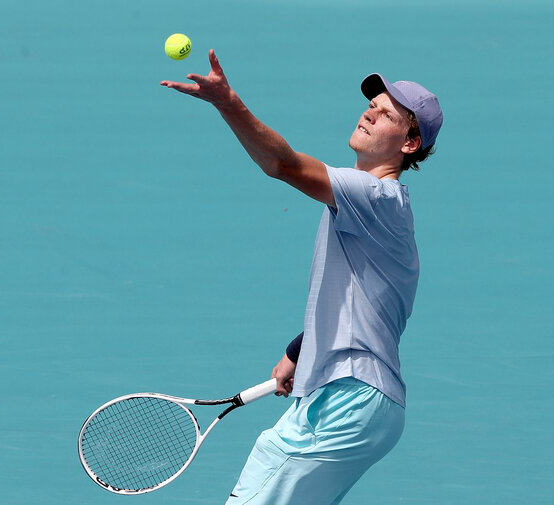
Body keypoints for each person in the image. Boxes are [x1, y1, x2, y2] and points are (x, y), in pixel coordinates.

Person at [161, 49, 443, 505]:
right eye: (371, 104)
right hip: (340, 397)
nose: (370, 112)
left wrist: (228, 103)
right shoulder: (374, 206)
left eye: (386, 113)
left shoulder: (376, 196)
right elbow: (359, 299)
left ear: (409, 144)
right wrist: (301, 349)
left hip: (350, 399)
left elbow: (284, 166)